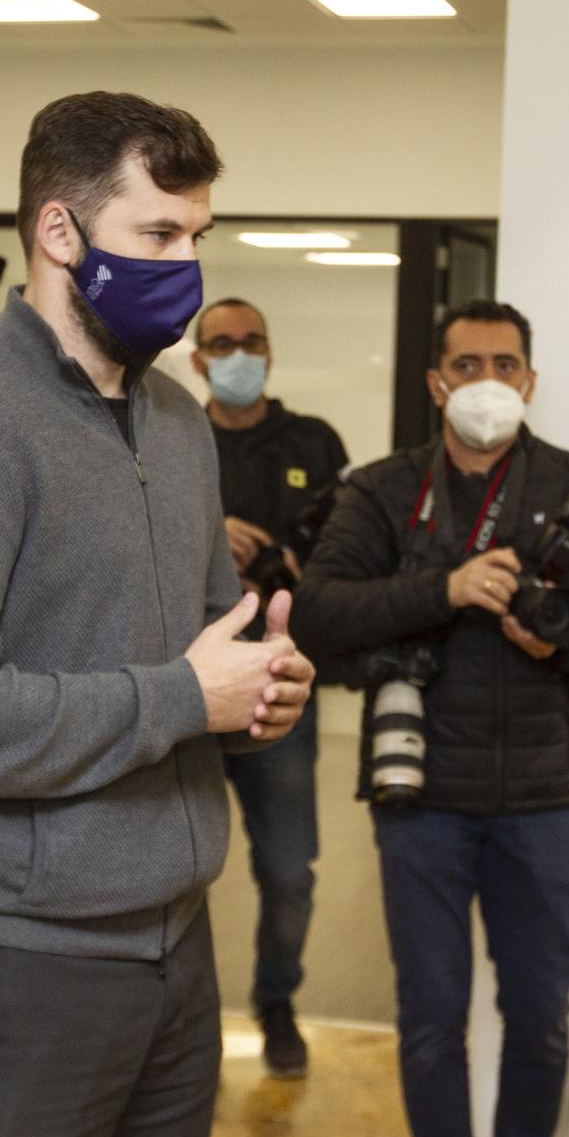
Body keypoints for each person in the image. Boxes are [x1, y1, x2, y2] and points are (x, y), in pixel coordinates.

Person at [0, 91, 315, 1137]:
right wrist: (178, 695)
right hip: (14, 956)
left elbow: (207, 648)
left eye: (195, 237)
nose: (185, 267)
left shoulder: (173, 417)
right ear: (58, 233)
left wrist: (261, 687)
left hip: (172, 941)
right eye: (156, 236)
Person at [293, 300, 569, 1137]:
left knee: (540, 1016)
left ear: (530, 379)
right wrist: (444, 586)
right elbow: (320, 615)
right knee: (432, 1017)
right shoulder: (384, 490)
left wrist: (560, 639)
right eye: (467, 364)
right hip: (420, 798)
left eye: (505, 364)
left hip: (540, 799)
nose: (487, 381)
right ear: (437, 380)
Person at [191, 295, 350, 1078]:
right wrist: (206, 531)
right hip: (183, 689)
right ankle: (185, 1027)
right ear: (197, 361)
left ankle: (277, 1000)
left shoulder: (315, 443)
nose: (239, 353)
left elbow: (346, 553)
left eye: (253, 340)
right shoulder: (169, 435)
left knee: (289, 872)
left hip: (279, 687)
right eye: (222, 343)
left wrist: (288, 557)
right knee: (177, 864)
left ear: (271, 351)